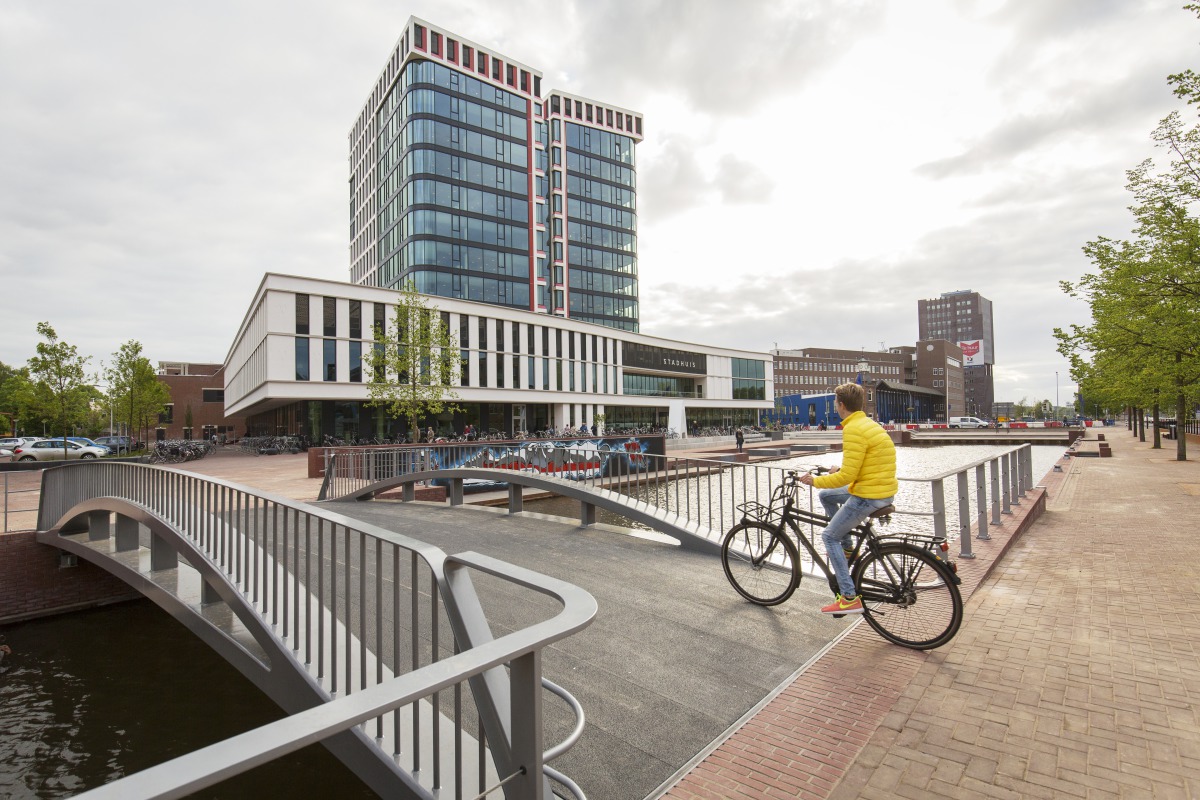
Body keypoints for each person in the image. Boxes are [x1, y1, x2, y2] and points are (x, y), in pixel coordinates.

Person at [799, 383, 897, 615]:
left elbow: (848, 477)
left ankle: (849, 597)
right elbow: (866, 464)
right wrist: (838, 471)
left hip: (869, 495)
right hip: (882, 489)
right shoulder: (869, 424)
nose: (836, 406)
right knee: (826, 496)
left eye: (836, 402)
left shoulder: (853, 429)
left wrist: (815, 480)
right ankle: (848, 548)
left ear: (841, 405)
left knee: (828, 536)